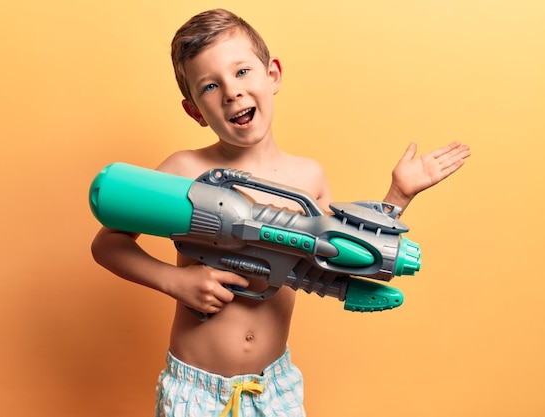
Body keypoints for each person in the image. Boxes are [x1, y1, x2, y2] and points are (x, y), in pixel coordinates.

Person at [91, 8, 470, 417]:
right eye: (209, 86)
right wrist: (176, 281)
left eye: (241, 72)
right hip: (195, 390)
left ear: (272, 75)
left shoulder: (307, 176)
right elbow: (107, 244)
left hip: (274, 388)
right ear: (195, 111)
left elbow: (338, 257)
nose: (231, 93)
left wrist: (399, 195)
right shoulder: (183, 172)